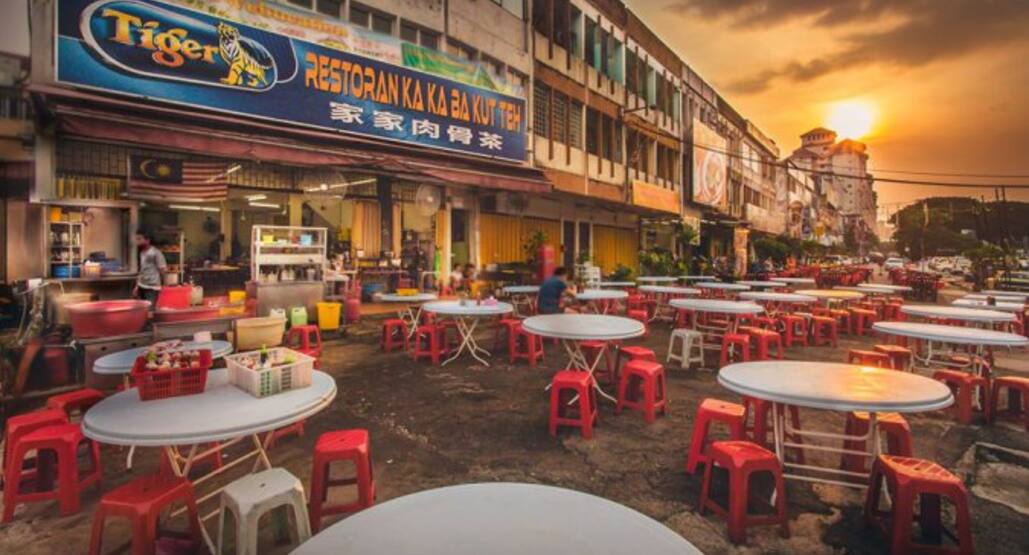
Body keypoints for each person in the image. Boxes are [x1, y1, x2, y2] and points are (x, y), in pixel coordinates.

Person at [134, 229, 166, 305]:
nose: (137, 241)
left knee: (150, 311)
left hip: (152, 288)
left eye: (139, 239)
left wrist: (163, 285)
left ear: (147, 240)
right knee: (142, 310)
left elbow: (162, 269)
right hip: (142, 285)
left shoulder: (156, 253)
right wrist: (137, 286)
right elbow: (141, 270)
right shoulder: (141, 253)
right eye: (136, 239)